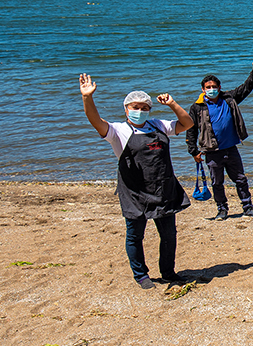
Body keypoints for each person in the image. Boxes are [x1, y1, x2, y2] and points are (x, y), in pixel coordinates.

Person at [79, 74, 194, 289]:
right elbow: (95, 121)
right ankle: (141, 275)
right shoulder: (118, 131)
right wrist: (87, 98)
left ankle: (168, 272)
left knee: (169, 234)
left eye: (144, 107)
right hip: (135, 193)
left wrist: (172, 104)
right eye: (135, 107)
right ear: (126, 108)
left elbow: (187, 123)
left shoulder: (159, 125)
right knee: (135, 236)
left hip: (163, 189)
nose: (140, 111)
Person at [186, 56, 253, 221]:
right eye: (208, 87)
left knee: (240, 179)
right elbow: (191, 129)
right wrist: (193, 151)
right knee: (217, 183)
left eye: (214, 86)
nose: (212, 89)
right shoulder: (196, 107)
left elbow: (246, 88)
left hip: (231, 148)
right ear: (203, 89)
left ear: (220, 87)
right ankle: (222, 210)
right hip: (211, 151)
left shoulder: (229, 99)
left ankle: (248, 207)